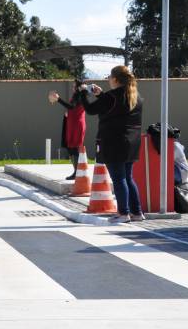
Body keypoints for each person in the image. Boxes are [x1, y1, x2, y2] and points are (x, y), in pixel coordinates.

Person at [83, 66, 144, 223]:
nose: (108, 79)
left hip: (113, 142)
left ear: (116, 79)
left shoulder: (111, 97)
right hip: (132, 142)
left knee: (118, 179)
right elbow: (115, 108)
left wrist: (82, 93)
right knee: (128, 178)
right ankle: (137, 213)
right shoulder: (136, 97)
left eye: (110, 76)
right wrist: (101, 95)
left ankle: (123, 213)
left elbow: (90, 109)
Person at [48, 81, 87, 180]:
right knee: (70, 147)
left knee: (74, 148)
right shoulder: (76, 95)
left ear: (79, 87)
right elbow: (72, 108)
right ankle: (76, 171)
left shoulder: (80, 95)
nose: (73, 88)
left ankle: (78, 172)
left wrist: (58, 99)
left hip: (77, 124)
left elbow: (71, 106)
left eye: (75, 86)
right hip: (72, 123)